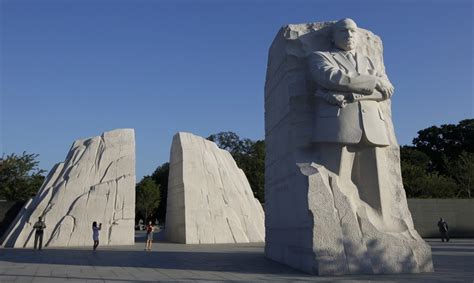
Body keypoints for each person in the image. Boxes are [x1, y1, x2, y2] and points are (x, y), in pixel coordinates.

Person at [308, 18, 394, 212]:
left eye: (353, 31)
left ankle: (381, 225)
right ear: (332, 36)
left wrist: (351, 94)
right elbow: (334, 78)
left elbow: (387, 90)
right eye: (343, 31)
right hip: (338, 125)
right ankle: (340, 224)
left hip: (373, 126)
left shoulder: (371, 61)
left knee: (378, 187)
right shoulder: (320, 57)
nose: (349, 35)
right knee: (336, 180)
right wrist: (373, 82)